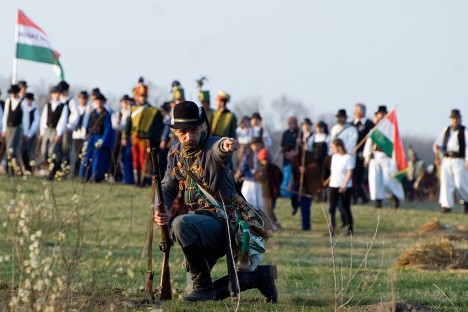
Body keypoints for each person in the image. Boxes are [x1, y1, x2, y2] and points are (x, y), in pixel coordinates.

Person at [153, 101, 277, 302]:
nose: (189, 137)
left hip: (222, 222)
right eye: (182, 132)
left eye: (193, 130)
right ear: (176, 132)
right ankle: (258, 278)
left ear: (201, 126)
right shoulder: (175, 153)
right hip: (198, 225)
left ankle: (203, 286)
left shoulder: (212, 145)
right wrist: (161, 207)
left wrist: (226, 145)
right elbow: (167, 186)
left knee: (179, 224)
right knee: (192, 294)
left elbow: (219, 149)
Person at [121, 81, 164, 186]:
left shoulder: (153, 111)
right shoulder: (134, 109)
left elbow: (158, 127)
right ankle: (137, 180)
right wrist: (124, 137)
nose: (142, 98)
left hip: (145, 140)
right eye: (140, 96)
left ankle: (143, 181)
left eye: (144, 96)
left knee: (144, 160)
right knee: (135, 160)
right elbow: (128, 124)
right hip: (134, 138)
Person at [363, 106, 404, 208]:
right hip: (374, 157)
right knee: (375, 180)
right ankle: (378, 201)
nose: (381, 116)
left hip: (386, 157)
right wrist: (367, 157)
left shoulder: (391, 129)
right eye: (379, 114)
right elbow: (369, 144)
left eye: (383, 113)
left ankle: (394, 197)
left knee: (388, 180)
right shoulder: (374, 130)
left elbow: (395, 144)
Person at [433, 109, 468, 214]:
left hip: (459, 160)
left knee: (460, 183)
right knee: (446, 183)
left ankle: (467, 200)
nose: (455, 121)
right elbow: (438, 143)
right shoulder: (446, 130)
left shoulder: (464, 131)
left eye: (456, 119)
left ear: (460, 119)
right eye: (453, 119)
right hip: (446, 159)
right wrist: (436, 149)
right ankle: (446, 206)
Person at [79, 93, 114, 182]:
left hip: (99, 137)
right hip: (91, 137)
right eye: (96, 101)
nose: (98, 103)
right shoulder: (92, 113)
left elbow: (107, 128)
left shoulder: (106, 114)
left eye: (100, 101)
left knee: (97, 158)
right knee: (86, 156)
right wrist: (86, 133)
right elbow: (88, 125)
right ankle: (84, 176)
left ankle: (96, 177)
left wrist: (102, 140)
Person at [39, 87, 69, 180]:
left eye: (57, 93)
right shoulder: (48, 105)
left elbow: (62, 120)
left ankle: (52, 173)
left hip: (55, 130)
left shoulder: (63, 106)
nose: (56, 95)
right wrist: (42, 131)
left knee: (53, 152)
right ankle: (47, 169)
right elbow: (43, 118)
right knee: (44, 151)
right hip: (47, 129)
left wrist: (59, 133)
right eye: (54, 93)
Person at [328, 138, 354, 236]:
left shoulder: (348, 157)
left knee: (346, 208)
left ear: (339, 147)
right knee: (332, 208)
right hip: (333, 185)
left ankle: (350, 229)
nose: (331, 149)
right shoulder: (334, 157)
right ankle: (332, 229)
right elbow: (333, 171)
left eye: (333, 147)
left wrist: (344, 185)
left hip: (345, 186)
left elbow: (349, 172)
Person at [352, 103, 374, 204]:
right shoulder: (351, 124)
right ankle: (356, 196)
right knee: (352, 176)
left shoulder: (369, 124)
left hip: (363, 155)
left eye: (356, 110)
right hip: (352, 155)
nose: (354, 112)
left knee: (359, 177)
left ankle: (363, 196)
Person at [2, 85, 25, 175]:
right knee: (9, 148)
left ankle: (12, 169)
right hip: (9, 127)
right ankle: (10, 169)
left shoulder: (22, 102)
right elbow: (6, 115)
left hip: (17, 128)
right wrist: (4, 129)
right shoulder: (8, 101)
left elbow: (24, 119)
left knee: (12, 149)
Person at [257, 148, 283, 229]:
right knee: (270, 209)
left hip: (268, 192)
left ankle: (274, 224)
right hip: (274, 192)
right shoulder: (275, 167)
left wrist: (256, 176)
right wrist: (277, 184)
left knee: (269, 209)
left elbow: (261, 179)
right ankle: (273, 223)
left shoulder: (264, 169)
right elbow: (281, 176)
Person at [57, 80, 79, 170]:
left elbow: (75, 115)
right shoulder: (58, 101)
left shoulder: (71, 101)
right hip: (58, 129)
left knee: (65, 149)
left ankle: (65, 169)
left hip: (66, 129)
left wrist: (69, 126)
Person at [279, 116, 299, 197]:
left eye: (293, 123)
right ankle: (284, 192)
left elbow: (299, 147)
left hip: (295, 159)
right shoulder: (285, 133)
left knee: (295, 176)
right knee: (286, 174)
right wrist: (278, 155)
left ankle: (294, 191)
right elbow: (282, 146)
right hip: (286, 158)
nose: (291, 125)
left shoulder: (299, 133)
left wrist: (293, 153)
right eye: (290, 123)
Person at [21, 92, 40, 174]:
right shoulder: (22, 109)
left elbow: (36, 123)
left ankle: (30, 170)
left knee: (30, 152)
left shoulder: (35, 110)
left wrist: (29, 134)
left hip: (31, 135)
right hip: (22, 134)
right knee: (22, 152)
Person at [72, 91, 90, 177]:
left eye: (85, 99)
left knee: (83, 155)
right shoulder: (76, 109)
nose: (83, 100)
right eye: (81, 98)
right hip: (76, 135)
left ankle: (82, 173)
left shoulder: (89, 110)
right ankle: (75, 173)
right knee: (76, 154)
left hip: (85, 135)